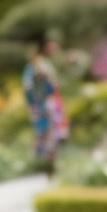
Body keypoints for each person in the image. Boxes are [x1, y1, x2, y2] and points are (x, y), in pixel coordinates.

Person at [22, 37, 68, 174]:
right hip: (42, 105)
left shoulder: (49, 63)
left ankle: (50, 165)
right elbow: (29, 86)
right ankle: (45, 166)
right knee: (45, 134)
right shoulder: (37, 65)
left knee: (53, 135)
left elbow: (54, 85)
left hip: (51, 103)